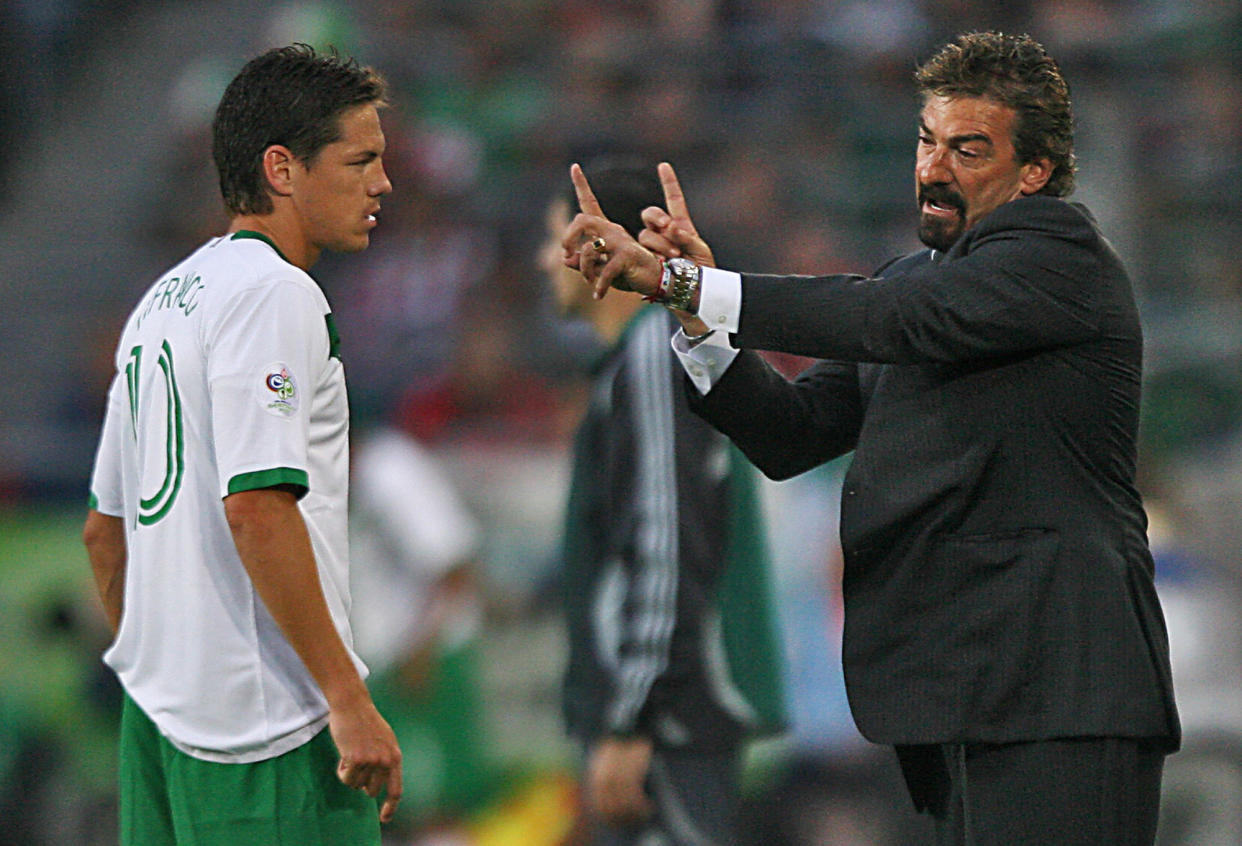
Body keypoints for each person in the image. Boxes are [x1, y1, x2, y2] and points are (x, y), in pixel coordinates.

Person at [562, 32, 1181, 845]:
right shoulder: (916, 284)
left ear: (1033, 175)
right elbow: (791, 435)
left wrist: (690, 281)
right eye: (927, 141)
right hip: (961, 691)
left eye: (968, 149)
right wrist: (695, 319)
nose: (932, 168)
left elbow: (883, 319)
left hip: (1058, 689)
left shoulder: (1059, 259)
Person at [82, 45, 401, 845]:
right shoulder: (274, 293)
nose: (382, 184)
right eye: (360, 159)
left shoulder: (160, 302)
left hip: (155, 731)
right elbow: (258, 508)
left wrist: (174, 672)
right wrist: (346, 699)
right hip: (268, 736)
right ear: (282, 169)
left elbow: (104, 536)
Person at [544, 158, 786, 845]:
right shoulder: (642, 358)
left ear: (594, 243)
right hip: (668, 714)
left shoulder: (654, 352)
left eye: (551, 238)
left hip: (667, 722)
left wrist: (633, 718)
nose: (542, 261)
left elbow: (665, 537)